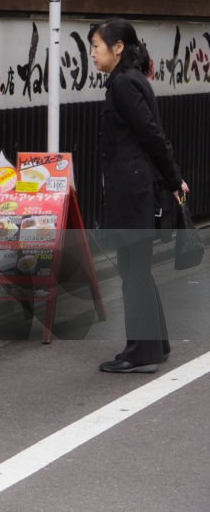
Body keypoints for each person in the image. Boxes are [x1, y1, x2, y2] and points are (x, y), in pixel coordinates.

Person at [89, 19, 188, 373]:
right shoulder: (128, 80)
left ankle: (141, 353)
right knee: (137, 268)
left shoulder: (124, 84)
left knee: (133, 268)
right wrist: (172, 177)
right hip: (135, 186)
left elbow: (150, 134)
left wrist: (175, 178)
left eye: (97, 46)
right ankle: (153, 345)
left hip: (133, 190)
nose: (93, 54)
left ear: (118, 48)